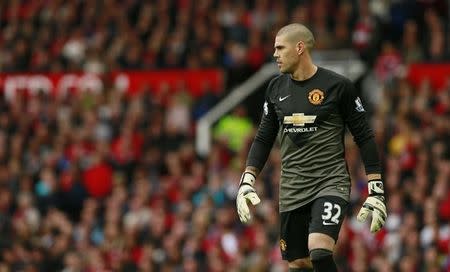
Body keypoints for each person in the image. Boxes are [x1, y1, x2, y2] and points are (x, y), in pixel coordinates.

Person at [236, 23, 387, 272]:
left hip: (330, 182)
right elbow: (263, 138)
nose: (275, 54)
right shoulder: (275, 89)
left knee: (319, 250)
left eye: (280, 48)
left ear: (299, 48)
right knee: (298, 263)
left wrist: (376, 188)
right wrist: (247, 178)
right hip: (292, 189)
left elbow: (364, 136)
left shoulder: (338, 86)